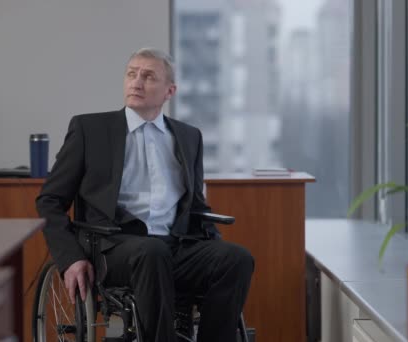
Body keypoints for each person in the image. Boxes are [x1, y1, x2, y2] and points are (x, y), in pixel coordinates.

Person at [36, 47, 254, 342]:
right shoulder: (90, 129)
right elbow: (50, 200)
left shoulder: (189, 137)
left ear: (169, 91)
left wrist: (212, 242)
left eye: (149, 77)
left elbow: (196, 206)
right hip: (114, 247)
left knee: (236, 258)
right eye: (131, 74)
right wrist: (70, 258)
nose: (136, 82)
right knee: (152, 252)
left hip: (175, 245)